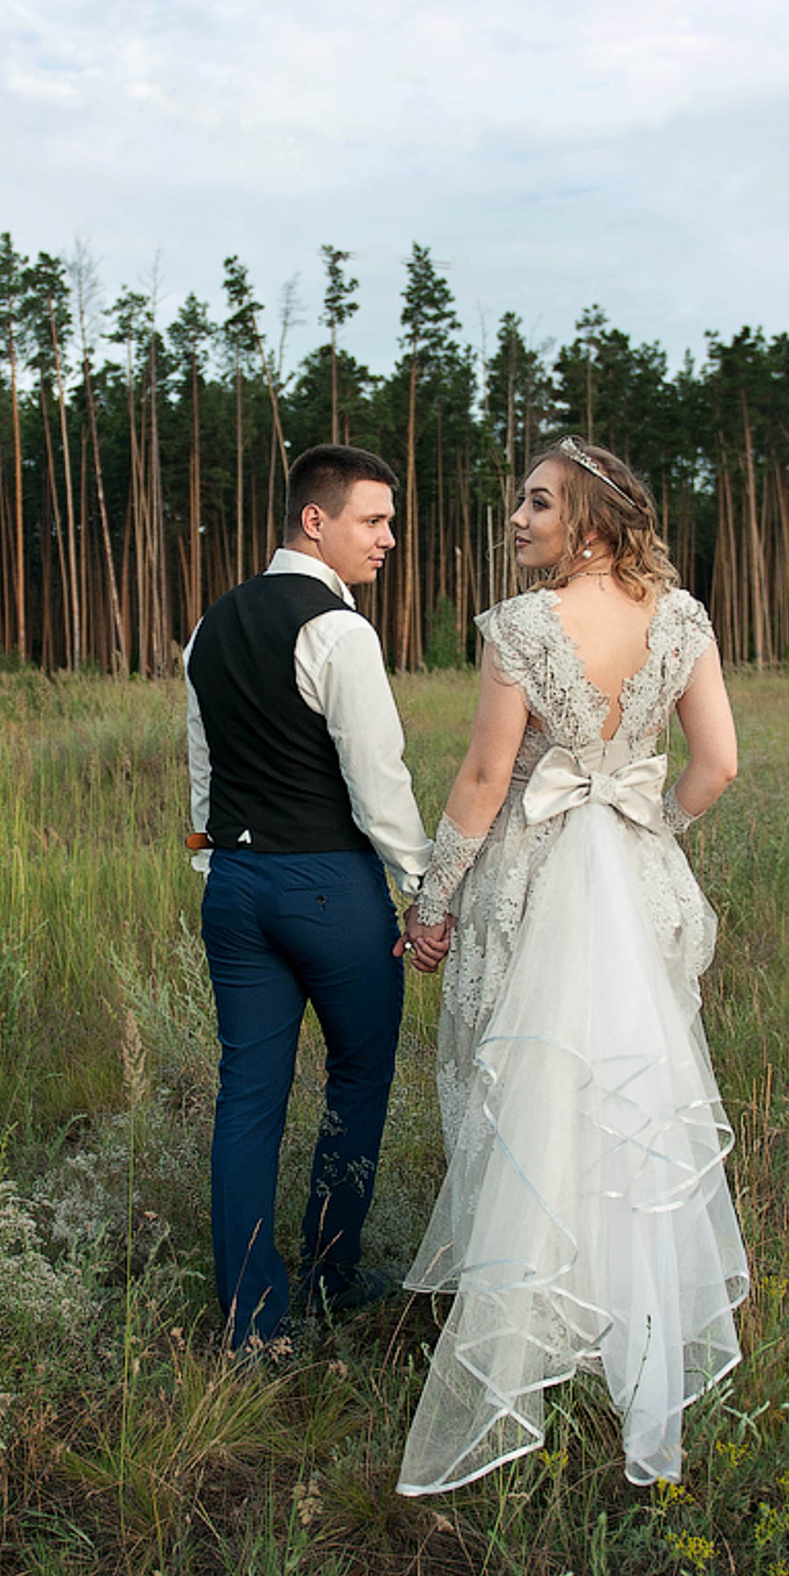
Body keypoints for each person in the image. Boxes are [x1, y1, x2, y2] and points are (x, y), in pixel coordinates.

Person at [396, 437, 748, 1492]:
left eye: (539, 504)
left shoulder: (520, 631)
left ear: (591, 522)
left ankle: (529, 1337)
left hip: (534, 883)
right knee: (629, 1108)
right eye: (519, 503)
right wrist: (652, 825)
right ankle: (627, 1332)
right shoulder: (682, 622)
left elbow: (487, 775)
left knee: (532, 1106)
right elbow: (718, 764)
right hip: (634, 885)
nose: (518, 519)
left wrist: (431, 899)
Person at [185, 444, 448, 1355]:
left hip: (236, 887)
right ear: (315, 520)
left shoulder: (209, 627)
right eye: (373, 521)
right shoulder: (340, 632)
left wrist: (215, 865)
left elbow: (205, 771)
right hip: (330, 886)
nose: (387, 540)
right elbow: (379, 781)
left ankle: (250, 1325)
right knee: (358, 1074)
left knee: (246, 1099)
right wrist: (422, 890)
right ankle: (331, 1277)